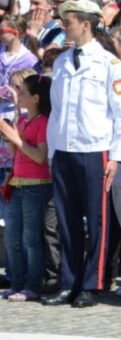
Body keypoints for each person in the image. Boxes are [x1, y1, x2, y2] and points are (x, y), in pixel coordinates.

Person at [43, 0, 121, 308]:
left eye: (69, 21)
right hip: (65, 149)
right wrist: (53, 150)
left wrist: (116, 156)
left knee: (97, 221)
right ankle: (69, 281)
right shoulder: (62, 62)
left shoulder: (108, 63)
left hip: (96, 149)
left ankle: (92, 283)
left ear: (86, 23)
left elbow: (120, 113)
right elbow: (55, 110)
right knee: (67, 220)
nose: (65, 27)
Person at [0, 74, 52, 302]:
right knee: (12, 237)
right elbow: (16, 153)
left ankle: (32, 285)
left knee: (31, 239)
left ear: (36, 98)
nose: (18, 97)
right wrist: (9, 138)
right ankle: (16, 282)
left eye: (23, 94)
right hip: (18, 183)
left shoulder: (43, 122)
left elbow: (40, 157)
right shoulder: (22, 120)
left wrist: (17, 140)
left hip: (36, 186)